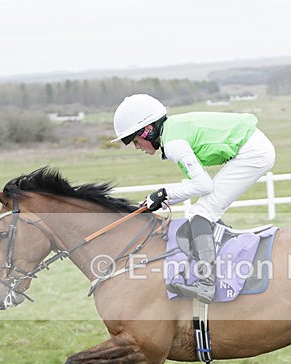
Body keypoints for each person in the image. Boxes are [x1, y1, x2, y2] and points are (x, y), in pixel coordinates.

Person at [112, 94, 276, 304]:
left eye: (136, 141)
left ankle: (207, 284)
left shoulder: (173, 144)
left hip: (253, 153)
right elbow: (202, 185)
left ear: (148, 130)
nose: (137, 147)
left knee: (200, 213)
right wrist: (163, 198)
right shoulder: (173, 132)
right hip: (252, 148)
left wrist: (163, 194)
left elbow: (203, 185)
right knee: (206, 210)